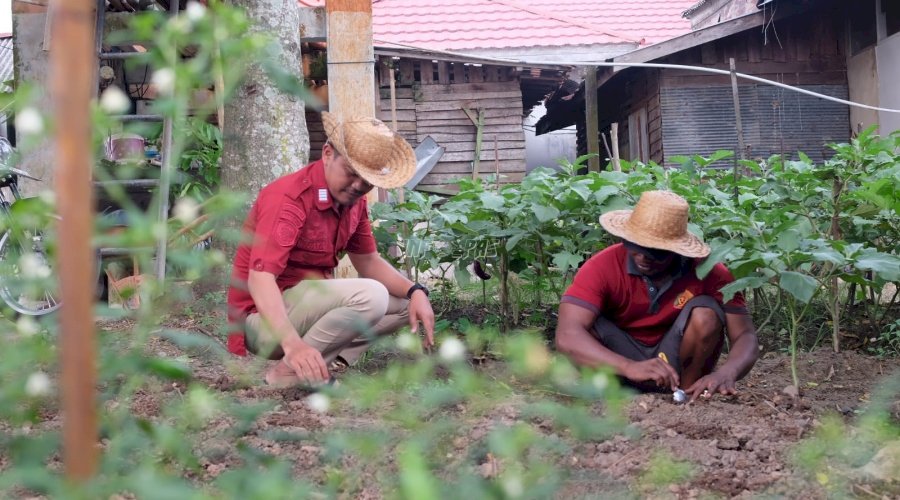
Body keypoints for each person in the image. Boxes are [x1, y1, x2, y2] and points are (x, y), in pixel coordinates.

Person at [226, 112, 435, 386]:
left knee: (404, 302)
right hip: (261, 323)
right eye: (351, 173)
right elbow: (260, 279)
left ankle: (322, 363)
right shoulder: (289, 199)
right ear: (327, 154)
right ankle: (288, 372)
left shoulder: (353, 203)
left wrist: (416, 290)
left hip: (305, 307)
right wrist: (292, 345)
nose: (359, 186)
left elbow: (368, 261)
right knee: (372, 295)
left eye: (368, 180)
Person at [555, 190, 758, 401]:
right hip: (618, 359)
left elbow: (745, 335)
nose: (643, 257)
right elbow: (567, 336)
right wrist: (629, 367)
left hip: (674, 360)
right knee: (588, 324)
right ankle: (610, 391)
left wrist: (728, 372)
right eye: (635, 247)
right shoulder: (601, 266)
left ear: (676, 249)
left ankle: (687, 394)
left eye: (655, 252)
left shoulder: (711, 273)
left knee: (706, 314)